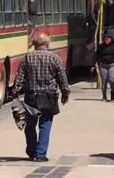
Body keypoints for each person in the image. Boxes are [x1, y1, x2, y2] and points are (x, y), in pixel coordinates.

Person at [9, 32, 71, 163]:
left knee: (30, 125)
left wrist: (14, 93)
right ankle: (40, 154)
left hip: (31, 96)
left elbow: (19, 78)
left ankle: (32, 151)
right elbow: (62, 79)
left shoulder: (27, 58)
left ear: (34, 45)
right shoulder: (55, 58)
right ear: (47, 43)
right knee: (45, 124)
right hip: (49, 96)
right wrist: (65, 93)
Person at [94, 34, 114, 102]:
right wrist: (94, 64)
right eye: (105, 39)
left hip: (112, 65)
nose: (106, 40)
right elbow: (96, 55)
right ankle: (104, 96)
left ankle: (112, 91)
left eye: (108, 39)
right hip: (103, 65)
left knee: (112, 80)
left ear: (111, 39)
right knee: (104, 81)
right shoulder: (101, 46)